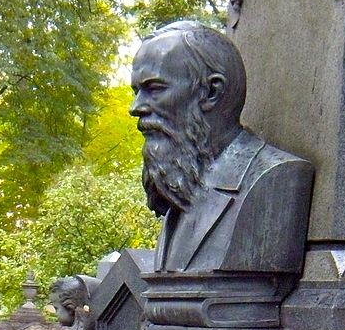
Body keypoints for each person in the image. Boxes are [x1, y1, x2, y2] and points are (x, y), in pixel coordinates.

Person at [130, 21, 313, 275]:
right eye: (137, 91)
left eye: (154, 89)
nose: (136, 107)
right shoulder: (179, 188)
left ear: (211, 92)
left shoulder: (273, 178)